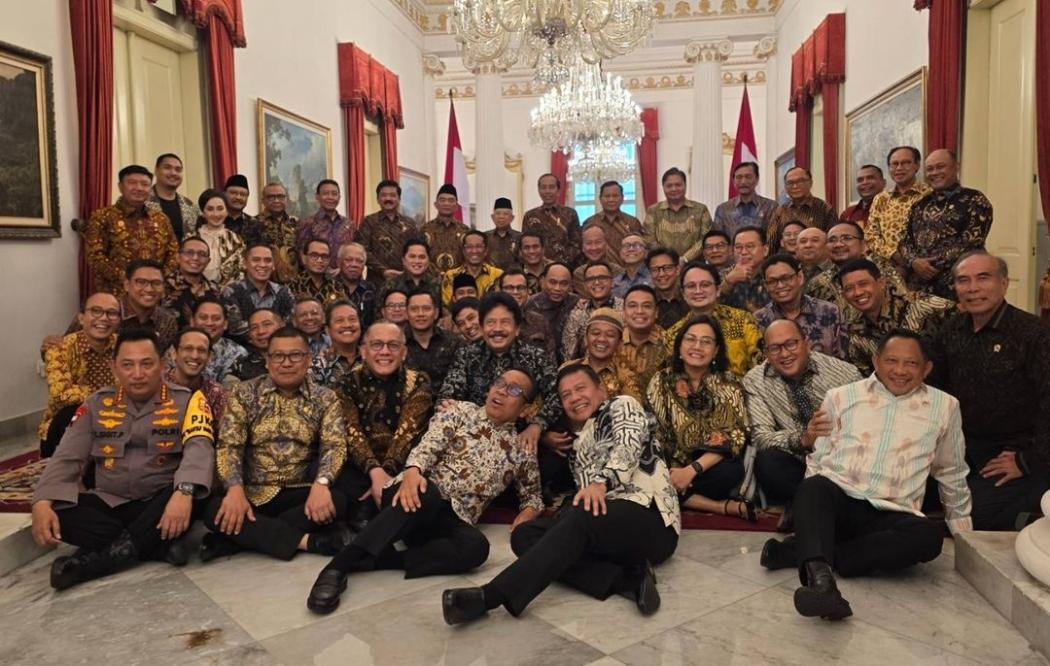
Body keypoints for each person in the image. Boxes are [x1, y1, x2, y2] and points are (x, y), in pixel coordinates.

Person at [441, 363, 680, 624]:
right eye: (566, 395)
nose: (574, 398)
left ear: (600, 389)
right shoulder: (577, 445)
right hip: (606, 528)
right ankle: (627, 578)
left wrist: (601, 483)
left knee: (581, 515)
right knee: (526, 536)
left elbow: (627, 447)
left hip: (650, 522)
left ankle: (489, 596)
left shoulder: (621, 406)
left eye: (580, 389)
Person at [764, 331, 971, 621]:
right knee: (814, 487)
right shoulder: (841, 396)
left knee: (929, 537)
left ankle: (808, 551)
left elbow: (951, 469)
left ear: (927, 368)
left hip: (891, 514)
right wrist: (808, 510)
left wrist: (964, 535)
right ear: (875, 361)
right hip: (841, 502)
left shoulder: (945, 406)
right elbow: (819, 458)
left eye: (911, 364)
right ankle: (822, 585)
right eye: (891, 361)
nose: (900, 371)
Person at [309, 369, 542, 615]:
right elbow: (430, 444)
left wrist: (527, 513)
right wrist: (413, 470)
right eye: (499, 382)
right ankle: (338, 567)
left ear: (526, 408)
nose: (502, 391)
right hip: (412, 492)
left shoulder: (521, 450)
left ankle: (372, 562)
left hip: (451, 517)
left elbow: (533, 496)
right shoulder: (460, 411)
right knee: (428, 494)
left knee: (476, 548)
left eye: (514, 390)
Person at [30, 330, 214, 590]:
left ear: (163, 365)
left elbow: (200, 449)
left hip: (161, 500)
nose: (137, 373)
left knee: (197, 492)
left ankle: (89, 565)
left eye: (147, 364)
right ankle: (157, 546)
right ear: (113, 367)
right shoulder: (96, 404)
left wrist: (183, 493)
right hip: (110, 502)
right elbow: (67, 456)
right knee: (60, 510)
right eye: (127, 365)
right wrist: (42, 502)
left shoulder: (188, 400)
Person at [201, 327, 352, 562]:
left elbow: (335, 445)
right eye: (278, 356)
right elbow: (229, 445)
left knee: (338, 500)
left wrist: (322, 484)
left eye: (295, 355)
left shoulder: (325, 398)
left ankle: (237, 538)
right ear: (267, 360)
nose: (287, 363)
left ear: (308, 359)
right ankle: (307, 542)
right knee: (212, 510)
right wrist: (234, 488)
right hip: (252, 492)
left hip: (300, 491)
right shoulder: (244, 393)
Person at [929, 251, 1050, 531]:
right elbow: (932, 383)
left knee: (973, 514)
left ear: (1004, 284)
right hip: (961, 448)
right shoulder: (951, 330)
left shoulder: (1033, 334)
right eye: (963, 281)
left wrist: (1026, 460)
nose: (972, 289)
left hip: (1012, 452)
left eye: (983, 278)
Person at [743, 320, 861, 529]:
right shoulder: (755, 380)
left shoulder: (845, 374)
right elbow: (761, 436)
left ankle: (804, 510)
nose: (785, 354)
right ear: (766, 353)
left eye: (791, 344)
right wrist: (803, 439)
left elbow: (864, 424)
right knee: (767, 463)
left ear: (806, 343)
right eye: (775, 348)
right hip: (798, 462)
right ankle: (818, 507)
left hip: (840, 458)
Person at [648, 316, 755, 519]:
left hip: (707, 467)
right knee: (647, 471)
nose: (697, 346)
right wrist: (675, 471)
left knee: (729, 471)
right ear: (679, 346)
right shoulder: (660, 381)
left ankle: (674, 496)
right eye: (690, 339)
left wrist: (691, 470)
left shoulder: (728, 383)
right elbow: (657, 433)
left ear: (715, 351)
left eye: (706, 342)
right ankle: (718, 507)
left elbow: (733, 436)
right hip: (669, 463)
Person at [439, 292, 561, 454]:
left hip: (521, 441)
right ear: (482, 327)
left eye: (505, 322)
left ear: (517, 328)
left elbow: (557, 395)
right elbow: (447, 397)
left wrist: (537, 425)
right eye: (490, 323)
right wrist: (447, 406)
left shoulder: (536, 357)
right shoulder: (467, 355)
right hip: (472, 441)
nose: (497, 329)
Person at [334, 321, 433, 506]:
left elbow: (407, 434)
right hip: (360, 467)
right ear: (363, 351)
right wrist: (375, 472)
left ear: (404, 353)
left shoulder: (419, 381)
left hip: (403, 465)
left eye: (393, 345)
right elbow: (350, 431)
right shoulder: (346, 383)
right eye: (377, 344)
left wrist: (385, 476)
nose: (385, 351)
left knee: (421, 482)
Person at [899, 149, 994, 299]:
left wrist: (928, 265)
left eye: (940, 167)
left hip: (959, 286)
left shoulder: (975, 200)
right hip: (918, 289)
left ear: (956, 167)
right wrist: (914, 261)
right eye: (930, 169)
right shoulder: (919, 204)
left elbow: (971, 242)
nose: (934, 172)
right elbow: (905, 241)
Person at [838, 258, 954, 376]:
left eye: (863, 284)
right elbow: (865, 379)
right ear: (844, 295)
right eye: (849, 289)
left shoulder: (921, 305)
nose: (857, 292)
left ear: (881, 284)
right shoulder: (855, 334)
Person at [39, 293, 120, 458]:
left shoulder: (122, 346)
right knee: (74, 412)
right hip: (67, 424)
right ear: (81, 318)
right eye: (96, 311)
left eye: (111, 313)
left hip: (116, 419)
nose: (104, 318)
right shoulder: (59, 348)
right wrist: (106, 394)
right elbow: (61, 394)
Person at [84, 164, 179, 294]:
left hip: (155, 294)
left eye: (145, 184)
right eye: (132, 183)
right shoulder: (102, 217)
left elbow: (173, 252)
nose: (139, 188)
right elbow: (95, 256)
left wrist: (157, 279)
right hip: (117, 294)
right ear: (120, 186)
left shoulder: (161, 218)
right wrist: (130, 280)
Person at [663, 261, 763, 378]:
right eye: (691, 286)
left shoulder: (742, 320)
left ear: (718, 289)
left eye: (705, 285)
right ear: (683, 293)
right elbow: (675, 378)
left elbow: (760, 368)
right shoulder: (673, 334)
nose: (698, 291)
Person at [61, 260, 179, 353]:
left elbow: (166, 362)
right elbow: (59, 350)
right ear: (127, 285)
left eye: (156, 283)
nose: (149, 289)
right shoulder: (99, 311)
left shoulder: (167, 321)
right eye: (141, 282)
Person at [754, 254, 847, 359]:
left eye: (786, 278)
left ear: (800, 277)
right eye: (772, 281)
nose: (780, 285)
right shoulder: (760, 319)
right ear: (766, 285)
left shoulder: (829, 311)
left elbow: (843, 360)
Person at [805, 221, 906, 307]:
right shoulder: (817, 284)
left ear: (863, 244)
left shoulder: (883, 273)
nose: (838, 244)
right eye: (832, 240)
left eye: (847, 238)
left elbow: (904, 306)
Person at [866, 146, 931, 265]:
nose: (899, 168)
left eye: (906, 163)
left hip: (921, 267)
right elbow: (871, 235)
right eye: (894, 164)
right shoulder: (881, 198)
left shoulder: (929, 195)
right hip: (886, 267)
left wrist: (911, 261)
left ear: (917, 165)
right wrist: (894, 255)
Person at [221, 243, 296, 341]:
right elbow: (234, 327)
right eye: (256, 260)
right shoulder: (232, 291)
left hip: (279, 348)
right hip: (243, 350)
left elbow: (292, 322)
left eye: (268, 260)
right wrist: (270, 330)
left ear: (273, 265)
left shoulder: (283, 292)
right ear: (245, 263)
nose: (262, 265)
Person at [570, 308, 642, 401]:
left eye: (610, 335)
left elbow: (633, 411)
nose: (602, 339)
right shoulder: (569, 369)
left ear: (620, 344)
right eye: (595, 333)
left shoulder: (627, 377)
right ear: (585, 339)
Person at [643, 167, 713, 260]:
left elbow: (706, 239)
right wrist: (669, 260)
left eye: (678, 185)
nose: (674, 189)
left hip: (695, 266)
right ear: (663, 187)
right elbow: (649, 239)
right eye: (669, 186)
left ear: (685, 185)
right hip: (663, 265)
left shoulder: (701, 209)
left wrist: (685, 259)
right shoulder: (653, 211)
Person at [358, 179, 419, 286]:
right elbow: (362, 251)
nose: (388, 199)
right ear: (378, 199)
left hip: (405, 280)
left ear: (399, 199)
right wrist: (383, 271)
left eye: (392, 195)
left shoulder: (410, 224)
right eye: (384, 195)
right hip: (376, 282)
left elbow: (416, 251)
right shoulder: (369, 222)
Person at [766, 166, 838, 253]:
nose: (795, 186)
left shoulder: (825, 209)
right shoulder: (780, 211)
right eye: (790, 183)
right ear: (785, 187)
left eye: (800, 181)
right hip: (787, 262)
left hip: (814, 262)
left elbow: (832, 242)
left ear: (810, 183)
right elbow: (770, 243)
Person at [562, 261, 624, 362]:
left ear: (612, 282)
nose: (596, 282)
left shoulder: (625, 310)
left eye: (602, 278)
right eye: (591, 279)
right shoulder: (577, 313)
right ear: (585, 286)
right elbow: (568, 354)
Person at [521, 262, 579, 363]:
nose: (557, 288)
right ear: (542, 281)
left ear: (571, 285)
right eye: (552, 282)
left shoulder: (577, 303)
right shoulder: (530, 305)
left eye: (564, 283)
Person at [165, 327, 226, 423]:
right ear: (174, 353)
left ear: (209, 357)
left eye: (201, 350)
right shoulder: (154, 386)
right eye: (188, 349)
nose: (195, 356)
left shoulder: (216, 393)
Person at [521, 173, 582, 266]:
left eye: (551, 187)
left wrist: (558, 264)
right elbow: (526, 245)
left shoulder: (570, 214)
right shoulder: (530, 216)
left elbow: (577, 245)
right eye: (543, 187)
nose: (547, 191)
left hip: (566, 267)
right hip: (537, 267)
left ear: (558, 190)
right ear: (539, 190)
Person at [617, 284, 668, 394]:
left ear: (656, 312)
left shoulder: (669, 343)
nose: (639, 311)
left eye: (647, 306)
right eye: (632, 306)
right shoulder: (613, 341)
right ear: (623, 312)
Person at [297, 179, 355, 270]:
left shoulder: (349, 224)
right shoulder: (307, 223)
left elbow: (354, 252)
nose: (330, 197)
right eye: (325, 193)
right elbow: (302, 254)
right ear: (317, 197)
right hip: (316, 277)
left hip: (343, 277)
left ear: (339, 197)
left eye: (334, 194)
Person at [405, 290, 460, 384]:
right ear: (406, 313)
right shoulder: (397, 344)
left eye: (426, 308)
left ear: (436, 313)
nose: (420, 314)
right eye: (414, 309)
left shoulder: (454, 342)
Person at [164, 236, 220, 328]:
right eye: (189, 253)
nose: (195, 258)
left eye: (202, 254)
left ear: (208, 261)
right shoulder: (162, 286)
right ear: (178, 257)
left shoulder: (215, 290)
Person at [582, 181, 643, 265]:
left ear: (622, 198)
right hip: (598, 271)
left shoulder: (632, 222)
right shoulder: (590, 222)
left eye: (615, 196)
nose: (611, 199)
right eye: (607, 196)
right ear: (600, 199)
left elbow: (640, 249)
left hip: (627, 272)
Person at [194, 189, 245, 285]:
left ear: (227, 211)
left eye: (220, 208)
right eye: (210, 209)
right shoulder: (192, 238)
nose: (215, 214)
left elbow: (241, 273)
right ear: (202, 212)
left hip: (229, 294)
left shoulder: (235, 240)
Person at [713, 161, 778, 236]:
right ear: (733, 181)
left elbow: (774, 238)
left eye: (748, 177)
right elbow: (718, 239)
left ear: (757, 179)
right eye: (739, 177)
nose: (743, 182)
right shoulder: (723, 209)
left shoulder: (771, 207)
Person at [191, 297, 247, 383]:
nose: (209, 323)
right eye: (203, 317)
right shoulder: (176, 348)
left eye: (216, 318)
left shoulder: (238, 353)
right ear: (192, 321)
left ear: (225, 324)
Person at [440, 231, 504, 306]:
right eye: (469, 247)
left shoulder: (498, 275)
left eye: (479, 246)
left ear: (486, 250)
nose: (474, 251)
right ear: (463, 251)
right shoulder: (451, 276)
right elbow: (448, 307)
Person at [309, 299, 362, 388]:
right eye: (339, 320)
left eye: (352, 319)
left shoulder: (372, 360)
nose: (347, 325)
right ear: (327, 330)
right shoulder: (316, 366)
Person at [719, 226, 771, 313]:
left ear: (765, 250)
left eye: (750, 246)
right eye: (738, 247)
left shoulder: (774, 275)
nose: (743, 252)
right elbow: (711, 308)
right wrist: (728, 282)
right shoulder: (719, 275)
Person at [256, 182, 300, 283]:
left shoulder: (296, 223)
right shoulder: (253, 223)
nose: (276, 200)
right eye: (271, 197)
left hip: (295, 282)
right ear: (263, 200)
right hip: (265, 282)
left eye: (280, 196)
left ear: (286, 199)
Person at [149, 153, 200, 238]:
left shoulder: (189, 206)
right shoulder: (142, 202)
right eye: (167, 168)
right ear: (156, 170)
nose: (173, 173)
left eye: (178, 170)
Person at [226, 308, 283, 384]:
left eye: (267, 324)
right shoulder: (239, 365)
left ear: (282, 326)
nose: (261, 331)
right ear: (249, 334)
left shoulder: (301, 358)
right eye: (254, 328)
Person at [423, 184, 470, 272]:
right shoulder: (425, 229)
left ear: (456, 206)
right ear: (436, 204)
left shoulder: (465, 231)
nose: (446, 203)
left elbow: (469, 258)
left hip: (458, 281)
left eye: (451, 200)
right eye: (442, 200)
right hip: (431, 282)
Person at [383, 238, 443, 305]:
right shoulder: (390, 286)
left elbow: (445, 313)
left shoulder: (437, 285)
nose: (417, 261)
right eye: (412, 256)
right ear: (403, 260)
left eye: (422, 257)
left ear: (429, 261)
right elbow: (379, 313)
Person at [288, 239, 347, 305]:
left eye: (324, 256)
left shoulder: (337, 288)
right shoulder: (291, 287)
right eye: (314, 255)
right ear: (304, 258)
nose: (320, 260)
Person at [335, 242, 377, 327]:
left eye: (359, 261)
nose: (354, 264)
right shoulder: (328, 287)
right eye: (348, 260)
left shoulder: (370, 290)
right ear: (338, 262)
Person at [573, 225, 623, 295]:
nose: (594, 247)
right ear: (583, 247)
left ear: (606, 245)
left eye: (598, 242)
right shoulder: (579, 274)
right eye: (589, 243)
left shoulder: (618, 271)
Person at [646, 246, 687, 329]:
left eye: (667, 268)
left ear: (678, 269)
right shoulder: (646, 300)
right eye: (655, 269)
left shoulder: (690, 297)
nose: (661, 274)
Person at [222, 174, 261, 243]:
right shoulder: (215, 220)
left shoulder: (255, 224)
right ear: (224, 194)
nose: (238, 197)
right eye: (233, 193)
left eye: (243, 194)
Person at [612, 233, 652, 298]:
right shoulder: (615, 283)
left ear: (646, 252)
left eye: (636, 245)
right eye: (626, 246)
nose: (631, 249)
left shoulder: (655, 278)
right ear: (620, 253)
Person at [485, 197, 521, 269]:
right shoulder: (484, 237)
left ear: (512, 217)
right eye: (498, 214)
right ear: (492, 217)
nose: (501, 217)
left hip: (514, 277)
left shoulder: (520, 237)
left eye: (505, 214)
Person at [518, 231, 550, 295]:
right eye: (527, 248)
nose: (531, 251)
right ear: (520, 252)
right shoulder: (516, 275)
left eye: (535, 247)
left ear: (543, 249)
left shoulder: (553, 272)